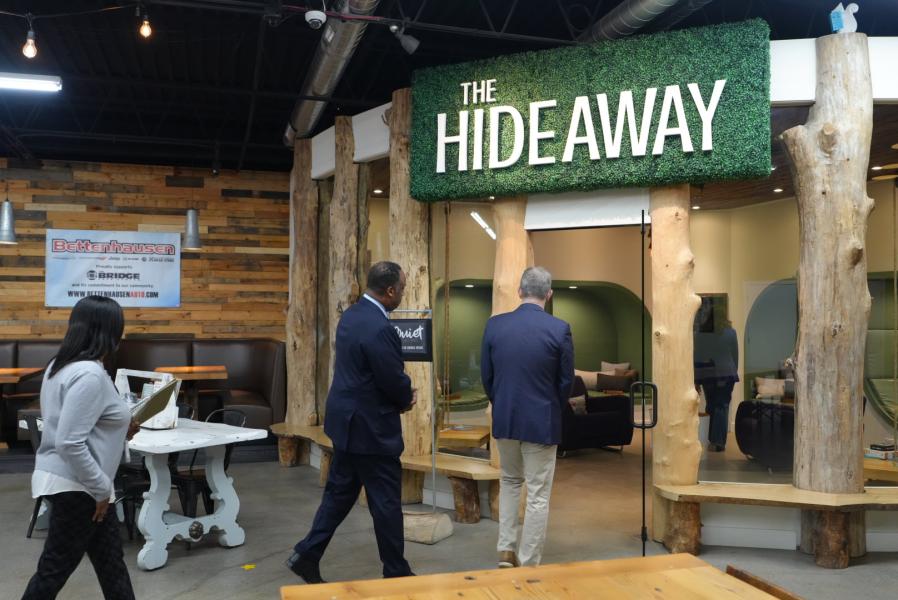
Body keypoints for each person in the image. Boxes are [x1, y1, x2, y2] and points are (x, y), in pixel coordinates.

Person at [287, 261, 416, 583]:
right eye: (402, 288)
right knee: (386, 503)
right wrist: (406, 397)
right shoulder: (380, 328)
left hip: (346, 424)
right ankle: (397, 573)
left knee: (339, 494)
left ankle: (306, 555)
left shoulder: (352, 315)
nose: (403, 293)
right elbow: (391, 378)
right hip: (371, 430)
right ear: (390, 291)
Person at [22, 295, 139, 600]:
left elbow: (77, 425)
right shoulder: (89, 374)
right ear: (109, 332)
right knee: (53, 571)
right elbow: (69, 441)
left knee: (112, 566)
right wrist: (100, 489)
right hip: (81, 488)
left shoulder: (60, 366)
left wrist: (120, 429)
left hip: (83, 484)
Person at [480, 266, 574, 568]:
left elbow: (487, 377)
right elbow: (566, 382)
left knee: (509, 481)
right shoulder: (559, 329)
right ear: (549, 294)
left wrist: (501, 402)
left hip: (506, 418)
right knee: (537, 494)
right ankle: (529, 561)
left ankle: (505, 552)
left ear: (520, 291)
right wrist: (551, 408)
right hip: (541, 422)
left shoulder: (495, 326)